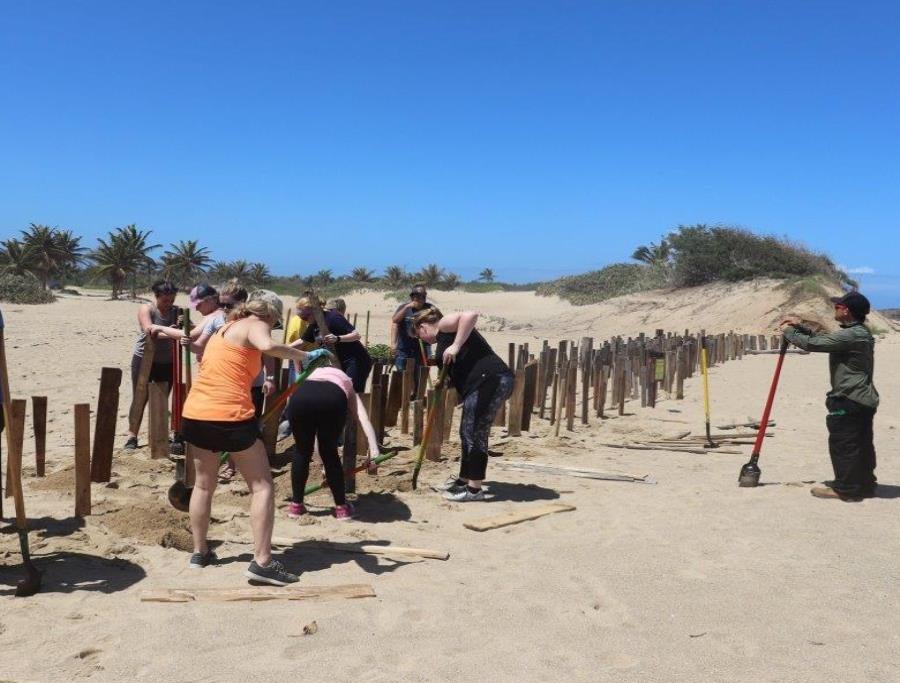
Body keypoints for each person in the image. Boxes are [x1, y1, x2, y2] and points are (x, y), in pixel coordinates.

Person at [180, 298, 327, 584]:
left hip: (196, 412)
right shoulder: (256, 324)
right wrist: (304, 358)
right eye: (274, 320)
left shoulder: (226, 327)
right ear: (269, 313)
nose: (272, 326)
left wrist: (297, 351)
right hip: (230, 414)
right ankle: (262, 562)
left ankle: (200, 552)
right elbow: (268, 346)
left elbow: (255, 351)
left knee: (203, 483)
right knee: (261, 487)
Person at [781, 291, 879, 501]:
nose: (835, 308)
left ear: (846, 310)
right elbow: (824, 338)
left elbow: (813, 344)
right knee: (861, 444)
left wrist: (789, 332)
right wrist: (799, 326)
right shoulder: (857, 332)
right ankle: (865, 485)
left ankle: (845, 489)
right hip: (862, 399)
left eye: (837, 306)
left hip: (850, 397)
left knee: (844, 444)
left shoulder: (853, 334)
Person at [412, 308, 513, 502]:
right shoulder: (443, 339)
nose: (423, 341)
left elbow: (471, 315)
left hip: (490, 379)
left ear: (422, 327)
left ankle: (474, 490)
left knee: (476, 432)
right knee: (466, 431)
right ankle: (464, 480)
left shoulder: (443, 326)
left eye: (419, 335)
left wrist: (456, 345)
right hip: (480, 384)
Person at [284, 363, 379, 520]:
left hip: (299, 399)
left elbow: (291, 407)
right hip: (332, 399)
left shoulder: (307, 376)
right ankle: (342, 508)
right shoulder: (346, 381)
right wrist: (374, 451)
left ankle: (296, 506)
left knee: (301, 451)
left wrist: (322, 465)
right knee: (329, 451)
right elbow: (362, 418)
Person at [124, 280, 181, 451]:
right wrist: (173, 332)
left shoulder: (177, 311)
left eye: (171, 300)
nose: (168, 304)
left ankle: (159, 436)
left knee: (161, 399)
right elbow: (149, 330)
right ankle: (132, 436)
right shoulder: (147, 309)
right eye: (165, 300)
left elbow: (189, 331)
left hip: (168, 361)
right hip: (144, 359)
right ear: (157, 297)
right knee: (140, 397)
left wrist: (182, 325)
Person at [293, 296, 372, 393]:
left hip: (356, 360)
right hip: (339, 362)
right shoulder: (314, 324)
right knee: (340, 392)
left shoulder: (333, 317)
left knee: (351, 393)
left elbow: (356, 335)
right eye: (301, 318)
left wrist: (337, 338)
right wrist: (276, 350)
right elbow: (301, 342)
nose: (304, 320)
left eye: (305, 317)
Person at [391, 285, 434, 384]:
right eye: (416, 296)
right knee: (402, 375)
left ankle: (416, 396)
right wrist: (393, 343)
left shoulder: (430, 308)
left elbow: (439, 323)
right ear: (412, 297)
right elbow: (395, 321)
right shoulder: (404, 307)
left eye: (421, 297)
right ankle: (405, 396)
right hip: (404, 348)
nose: (419, 299)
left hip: (422, 348)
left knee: (420, 377)